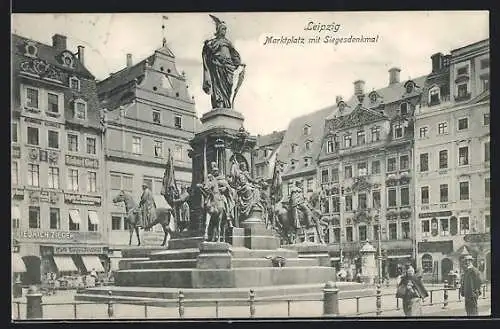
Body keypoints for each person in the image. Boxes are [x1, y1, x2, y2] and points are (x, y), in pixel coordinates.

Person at [202, 15, 245, 109]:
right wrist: (206, 47)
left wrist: (238, 63)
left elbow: (234, 55)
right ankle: (219, 102)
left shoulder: (228, 42)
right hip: (218, 66)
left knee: (228, 86)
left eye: (225, 29)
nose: (224, 31)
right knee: (218, 86)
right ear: (218, 30)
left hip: (228, 67)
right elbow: (207, 53)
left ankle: (226, 104)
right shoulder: (213, 42)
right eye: (222, 29)